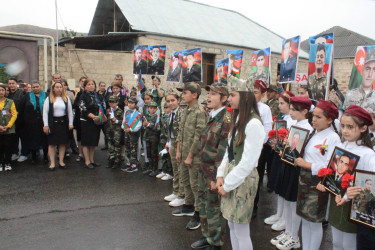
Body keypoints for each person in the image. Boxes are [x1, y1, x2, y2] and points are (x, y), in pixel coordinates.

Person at [216, 75, 265, 250]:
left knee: (241, 230)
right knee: (232, 225)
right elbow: (229, 151)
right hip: (232, 176)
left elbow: (248, 162)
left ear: (244, 97)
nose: (229, 99)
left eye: (233, 95)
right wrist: (220, 174)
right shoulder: (238, 119)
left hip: (243, 180)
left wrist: (227, 184)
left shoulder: (253, 124)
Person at [322, 105, 375, 250]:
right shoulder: (342, 145)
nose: (345, 130)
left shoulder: (367, 154)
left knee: (349, 244)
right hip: (337, 200)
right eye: (343, 126)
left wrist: (353, 192)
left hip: (353, 206)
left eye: (350, 127)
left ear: (363, 128)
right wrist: (325, 182)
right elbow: (334, 171)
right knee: (337, 242)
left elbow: (371, 182)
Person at [293, 100, 341, 250]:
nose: (314, 119)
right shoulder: (314, 133)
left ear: (329, 120)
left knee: (314, 222)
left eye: (319, 117)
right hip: (304, 180)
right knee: (305, 220)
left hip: (317, 182)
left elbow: (330, 165)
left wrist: (306, 164)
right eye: (314, 116)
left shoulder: (333, 138)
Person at [190, 82, 230, 250]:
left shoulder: (226, 119)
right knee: (204, 204)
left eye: (214, 94)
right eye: (209, 93)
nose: (209, 97)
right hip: (203, 168)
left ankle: (216, 242)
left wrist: (216, 177)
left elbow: (223, 153)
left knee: (214, 207)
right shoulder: (212, 115)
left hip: (214, 171)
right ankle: (207, 236)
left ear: (224, 98)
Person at [276, 96, 313, 250]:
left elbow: (304, 152)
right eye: (290, 109)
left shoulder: (308, 129)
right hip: (289, 165)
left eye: (294, 109)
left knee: (293, 202)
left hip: (297, 168)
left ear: (304, 111)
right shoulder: (296, 125)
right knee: (288, 200)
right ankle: (289, 231)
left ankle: (294, 236)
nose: (290, 112)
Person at [173, 82, 207, 231]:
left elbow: (199, 136)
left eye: (185, 92)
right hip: (184, 152)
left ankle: (198, 213)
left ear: (195, 95)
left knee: (195, 185)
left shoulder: (200, 111)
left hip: (194, 156)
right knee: (184, 180)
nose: (182, 95)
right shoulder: (186, 110)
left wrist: (190, 156)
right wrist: (179, 151)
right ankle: (188, 205)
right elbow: (180, 132)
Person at [265, 91, 295, 233]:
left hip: (287, 157)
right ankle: (279, 213)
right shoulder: (282, 118)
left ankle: (284, 217)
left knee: (284, 187)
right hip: (279, 154)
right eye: (279, 103)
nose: (280, 106)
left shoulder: (292, 121)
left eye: (283, 103)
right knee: (278, 186)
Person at [252, 79, 273, 218]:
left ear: (262, 94)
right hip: (246, 146)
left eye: (256, 92)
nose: (253, 95)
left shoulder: (265, 109)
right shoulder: (246, 106)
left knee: (256, 178)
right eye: (251, 92)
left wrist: (258, 146)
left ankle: (253, 206)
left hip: (259, 149)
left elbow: (267, 129)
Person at [43, 81, 74, 171]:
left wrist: (70, 123)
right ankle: (52, 163)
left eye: (60, 87)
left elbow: (70, 112)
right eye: (56, 87)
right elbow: (45, 113)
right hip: (53, 123)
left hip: (63, 123)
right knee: (52, 144)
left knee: (62, 143)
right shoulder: (49, 99)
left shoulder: (66, 98)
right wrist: (46, 125)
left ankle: (61, 161)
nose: (59, 88)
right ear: (53, 88)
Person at [163, 92, 186, 207]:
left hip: (180, 144)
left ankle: (182, 196)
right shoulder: (171, 114)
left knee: (181, 170)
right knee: (175, 169)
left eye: (173, 100)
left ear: (178, 100)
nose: (170, 103)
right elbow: (171, 130)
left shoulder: (181, 113)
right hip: (172, 142)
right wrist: (169, 143)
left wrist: (177, 147)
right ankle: (176, 191)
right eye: (168, 101)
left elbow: (181, 132)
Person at [19, 80, 48, 164]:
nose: (35, 88)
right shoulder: (27, 96)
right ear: (31, 88)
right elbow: (21, 108)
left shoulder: (46, 95)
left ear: (40, 86)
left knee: (45, 140)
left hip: (43, 122)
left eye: (37, 86)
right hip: (31, 123)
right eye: (33, 87)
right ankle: (34, 157)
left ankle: (46, 156)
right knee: (32, 140)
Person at [79, 78, 105, 169]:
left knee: (93, 142)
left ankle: (92, 160)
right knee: (86, 142)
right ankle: (87, 161)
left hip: (97, 121)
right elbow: (83, 109)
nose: (91, 86)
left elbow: (103, 107)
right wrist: (93, 116)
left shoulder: (99, 95)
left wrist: (99, 117)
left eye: (92, 84)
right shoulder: (83, 96)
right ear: (85, 87)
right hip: (87, 121)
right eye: (88, 84)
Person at [7, 77, 26, 162]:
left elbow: (24, 105)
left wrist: (17, 113)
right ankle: (14, 153)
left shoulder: (22, 93)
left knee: (23, 137)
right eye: (10, 83)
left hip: (21, 119)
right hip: (11, 120)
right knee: (14, 138)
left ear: (16, 84)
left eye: (13, 83)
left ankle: (24, 154)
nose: (11, 85)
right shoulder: (8, 94)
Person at [121, 97, 142, 173]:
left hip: (134, 133)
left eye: (132, 103)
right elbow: (124, 121)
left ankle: (134, 164)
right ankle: (128, 162)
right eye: (129, 103)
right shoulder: (127, 112)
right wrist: (124, 127)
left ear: (135, 104)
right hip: (127, 132)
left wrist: (131, 129)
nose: (130, 104)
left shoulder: (138, 114)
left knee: (133, 148)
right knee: (127, 147)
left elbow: (139, 125)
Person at [0, 84, 17, 171]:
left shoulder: (10, 101)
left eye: (2, 90)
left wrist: (8, 126)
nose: (1, 92)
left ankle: (7, 163)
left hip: (8, 128)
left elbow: (14, 115)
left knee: (8, 146)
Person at [142, 101, 161, 176]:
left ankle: (155, 169)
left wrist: (148, 124)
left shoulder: (157, 117)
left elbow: (157, 128)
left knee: (154, 154)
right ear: (148, 108)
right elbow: (144, 127)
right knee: (148, 153)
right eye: (150, 108)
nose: (152, 109)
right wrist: (145, 125)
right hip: (147, 137)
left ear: (156, 109)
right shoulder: (146, 116)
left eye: (154, 108)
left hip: (154, 138)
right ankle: (150, 167)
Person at [105, 95, 124, 169]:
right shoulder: (108, 110)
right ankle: (111, 160)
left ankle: (117, 161)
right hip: (109, 130)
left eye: (113, 102)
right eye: (110, 102)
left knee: (117, 146)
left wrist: (117, 121)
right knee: (110, 146)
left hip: (117, 131)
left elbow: (123, 122)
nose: (112, 104)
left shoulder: (120, 111)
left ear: (117, 102)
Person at [157, 102, 173, 180]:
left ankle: (169, 172)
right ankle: (164, 170)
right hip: (163, 138)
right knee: (164, 155)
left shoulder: (171, 116)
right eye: (165, 108)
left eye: (167, 108)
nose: (166, 109)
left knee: (169, 156)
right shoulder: (162, 116)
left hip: (168, 138)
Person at [73, 76, 87, 162]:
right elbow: (75, 105)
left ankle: (87, 154)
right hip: (79, 117)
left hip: (87, 118)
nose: (83, 83)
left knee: (87, 136)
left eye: (85, 81)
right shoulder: (79, 93)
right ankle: (80, 153)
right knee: (79, 137)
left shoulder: (91, 93)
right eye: (82, 81)